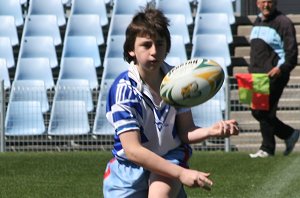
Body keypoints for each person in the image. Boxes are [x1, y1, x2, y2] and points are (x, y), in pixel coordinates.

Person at [102, 4, 239, 198]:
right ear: (131, 49)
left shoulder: (178, 81)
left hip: (170, 156)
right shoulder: (124, 90)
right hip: (129, 168)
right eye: (146, 45)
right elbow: (132, 150)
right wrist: (183, 174)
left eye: (160, 44)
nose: (154, 51)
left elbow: (186, 132)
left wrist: (211, 131)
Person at [249, 0, 299, 158]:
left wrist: (280, 69)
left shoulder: (283, 22)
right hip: (257, 76)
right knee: (260, 111)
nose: (266, 5)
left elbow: (291, 53)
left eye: (269, 2)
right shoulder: (257, 21)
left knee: (261, 110)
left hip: (275, 74)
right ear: (257, 3)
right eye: (263, 1)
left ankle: (268, 148)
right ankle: (289, 135)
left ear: (275, 3)